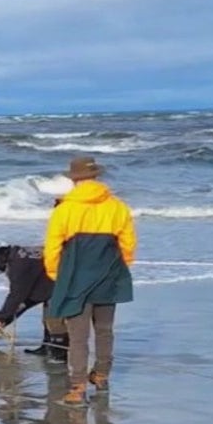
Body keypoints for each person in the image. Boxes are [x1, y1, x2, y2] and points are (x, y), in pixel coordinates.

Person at [43, 156, 137, 406]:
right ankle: (102, 375)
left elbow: (52, 247)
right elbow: (128, 245)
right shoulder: (118, 207)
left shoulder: (65, 209)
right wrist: (119, 268)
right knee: (105, 330)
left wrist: (55, 274)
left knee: (78, 335)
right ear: (96, 177)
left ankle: (78, 386)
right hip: (108, 273)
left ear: (74, 180)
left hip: (75, 276)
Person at [0, 239, 68, 361]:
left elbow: (16, 295)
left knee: (53, 320)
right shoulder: (21, 253)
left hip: (63, 281)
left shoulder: (18, 266)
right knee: (47, 318)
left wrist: (0, 319)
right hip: (56, 277)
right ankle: (47, 347)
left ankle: (60, 354)